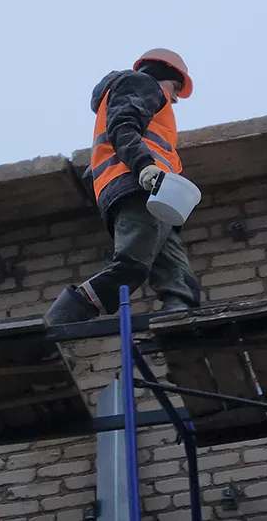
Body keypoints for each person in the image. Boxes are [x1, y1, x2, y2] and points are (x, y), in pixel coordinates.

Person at [45, 48, 202, 326]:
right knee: (131, 266)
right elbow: (123, 126)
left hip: (154, 190)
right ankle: (64, 316)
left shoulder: (137, 95)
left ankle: (182, 315)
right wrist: (144, 166)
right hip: (141, 185)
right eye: (175, 86)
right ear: (159, 73)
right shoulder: (142, 84)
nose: (176, 97)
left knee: (175, 272)